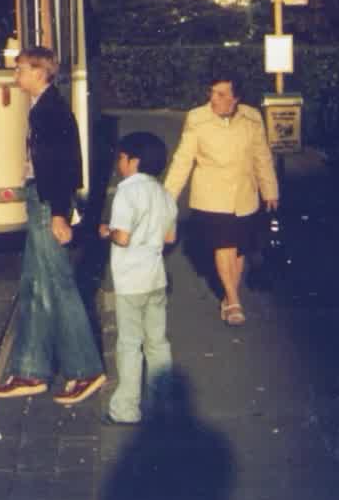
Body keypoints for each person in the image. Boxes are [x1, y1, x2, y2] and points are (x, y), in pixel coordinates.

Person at [0, 46, 107, 406]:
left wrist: (58, 212)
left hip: (46, 201)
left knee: (58, 282)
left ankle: (85, 369)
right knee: (36, 284)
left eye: (21, 69)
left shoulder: (49, 110)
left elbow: (63, 164)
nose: (16, 76)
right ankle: (31, 370)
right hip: (40, 198)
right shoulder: (44, 106)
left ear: (40, 72)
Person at [163, 73, 279, 327]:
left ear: (236, 98)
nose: (213, 99)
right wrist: (167, 197)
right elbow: (182, 160)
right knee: (224, 246)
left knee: (238, 250)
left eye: (221, 94)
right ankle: (235, 300)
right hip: (212, 197)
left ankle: (228, 297)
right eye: (212, 92)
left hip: (245, 196)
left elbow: (262, 157)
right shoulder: (197, 119)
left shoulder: (252, 118)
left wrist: (270, 189)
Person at [99, 132, 179, 426]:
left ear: (134, 161)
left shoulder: (127, 192)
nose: (119, 164)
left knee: (130, 345)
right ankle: (163, 407)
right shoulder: (164, 194)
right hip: (156, 279)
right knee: (157, 343)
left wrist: (106, 231)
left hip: (130, 280)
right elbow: (169, 237)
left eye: (121, 158)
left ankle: (125, 410)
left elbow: (122, 237)